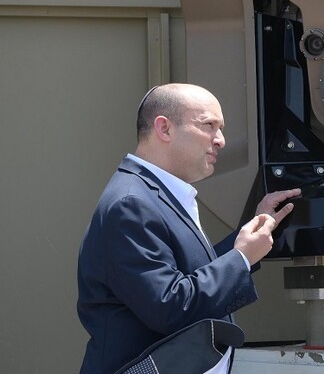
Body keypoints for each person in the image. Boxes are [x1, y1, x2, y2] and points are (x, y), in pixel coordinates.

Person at [77, 83, 301, 374]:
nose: (221, 140)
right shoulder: (131, 203)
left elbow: (186, 276)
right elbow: (170, 307)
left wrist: (250, 235)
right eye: (208, 125)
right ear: (164, 128)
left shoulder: (153, 194)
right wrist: (241, 258)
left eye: (220, 128)